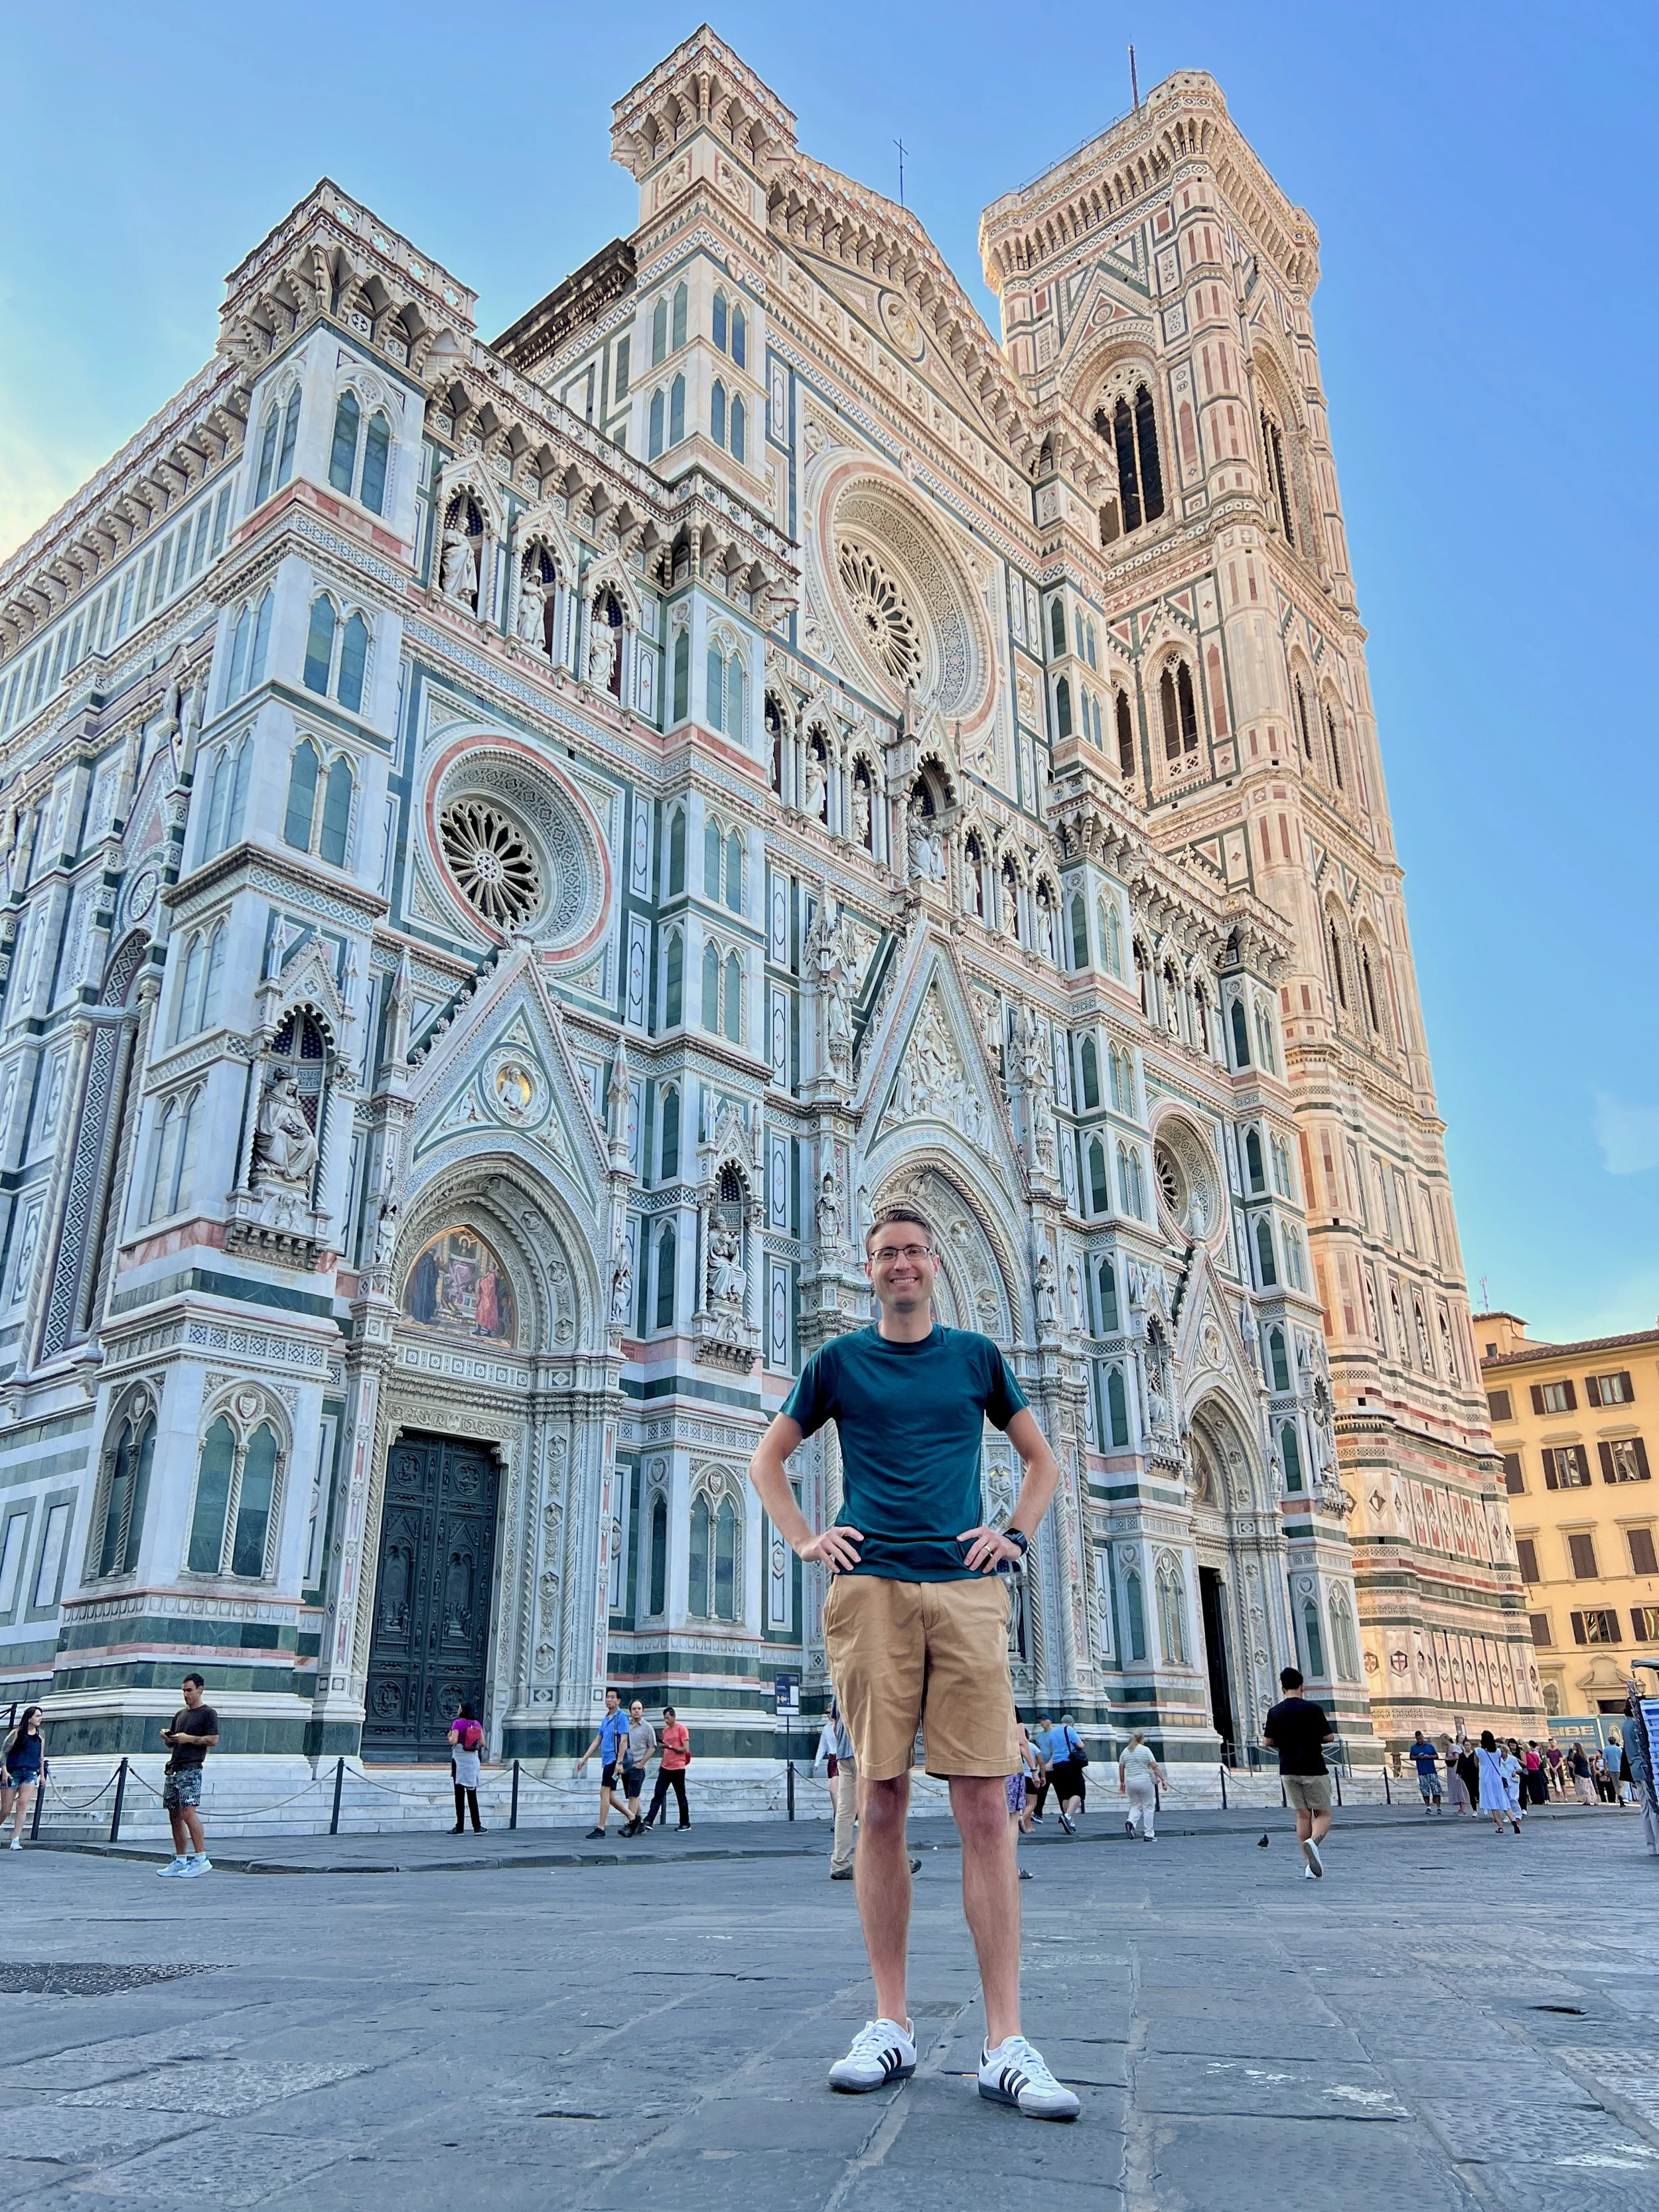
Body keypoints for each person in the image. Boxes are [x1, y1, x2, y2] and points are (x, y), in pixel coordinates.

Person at [747, 1203, 1080, 2122]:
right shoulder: (839, 1362)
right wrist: (808, 1539)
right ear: (870, 1268)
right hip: (870, 1593)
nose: (901, 1264)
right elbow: (767, 1458)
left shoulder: (975, 1357)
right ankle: (889, 2021)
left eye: (913, 1252)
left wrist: (1013, 1533)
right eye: (887, 1253)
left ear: (936, 1264)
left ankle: (1004, 2040)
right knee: (880, 1795)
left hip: (967, 1594)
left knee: (985, 1804)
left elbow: (1041, 1461)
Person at [1263, 1665, 1335, 1880]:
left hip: (1288, 1769)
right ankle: (1313, 1843)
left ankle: (1308, 1865)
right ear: (1301, 1686)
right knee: (1323, 1813)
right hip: (1313, 1767)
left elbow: (1267, 1741)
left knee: (1302, 1815)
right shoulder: (1313, 1709)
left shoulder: (1274, 1712)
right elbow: (1329, 1737)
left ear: (1282, 1687)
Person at [157, 1673, 218, 1877]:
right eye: (184, 1690)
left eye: (189, 1690)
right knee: (174, 1815)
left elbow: (213, 1739)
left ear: (200, 1689)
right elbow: (173, 1743)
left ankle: (201, 1858)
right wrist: (169, 1738)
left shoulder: (208, 1713)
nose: (186, 1694)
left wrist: (189, 1738)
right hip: (175, 1767)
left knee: (188, 1813)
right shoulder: (180, 1715)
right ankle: (180, 1859)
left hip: (192, 1768)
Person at [574, 1687, 631, 1839]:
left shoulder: (622, 1717)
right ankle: (633, 1818)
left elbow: (624, 1740)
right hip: (607, 1761)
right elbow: (598, 1740)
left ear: (618, 1700)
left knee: (604, 1792)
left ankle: (601, 1827)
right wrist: (584, 1758)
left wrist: (619, 1762)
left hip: (614, 1760)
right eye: (607, 1697)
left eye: (612, 1697)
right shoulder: (606, 1718)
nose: (609, 1700)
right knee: (609, 1796)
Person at [643, 1706, 692, 1831]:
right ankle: (649, 1820)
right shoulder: (665, 1731)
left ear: (674, 1716)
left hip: (678, 1768)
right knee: (658, 1794)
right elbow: (666, 1746)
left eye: (668, 1718)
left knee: (680, 1796)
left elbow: (685, 1749)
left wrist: (669, 1746)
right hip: (665, 1766)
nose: (666, 1720)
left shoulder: (682, 1729)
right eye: (664, 1718)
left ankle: (685, 1823)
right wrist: (663, 1746)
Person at [1620, 1696, 1658, 1857]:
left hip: (1635, 1768)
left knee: (1646, 1808)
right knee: (1654, 1808)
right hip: (1643, 1768)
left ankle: (1652, 1846)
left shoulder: (1626, 1725)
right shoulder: (1636, 1725)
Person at [2, 1706, 44, 1848]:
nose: (40, 1718)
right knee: (6, 1809)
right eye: (37, 1716)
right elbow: (4, 1752)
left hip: (31, 1773)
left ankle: (16, 1839)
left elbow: (41, 1757)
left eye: (41, 1716)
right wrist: (4, 1770)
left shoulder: (40, 1735)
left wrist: (42, 1776)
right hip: (13, 1772)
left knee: (23, 1804)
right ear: (29, 1718)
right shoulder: (17, 1733)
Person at [617, 1701, 656, 1838]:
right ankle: (639, 1823)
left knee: (633, 1796)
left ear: (643, 1711)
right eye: (634, 1709)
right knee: (633, 1795)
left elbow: (652, 1747)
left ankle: (630, 1824)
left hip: (638, 1767)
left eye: (639, 1709)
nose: (637, 1711)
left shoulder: (647, 1727)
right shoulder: (625, 1725)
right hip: (626, 1765)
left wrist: (642, 1763)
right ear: (630, 1711)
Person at [1118, 1731, 1167, 1841]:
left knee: (1136, 1805)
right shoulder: (1145, 1750)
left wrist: (1122, 1783)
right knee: (1148, 1807)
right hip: (1144, 1781)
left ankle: (1131, 1821)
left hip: (1131, 1782)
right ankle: (1149, 1834)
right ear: (1141, 1739)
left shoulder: (1126, 1751)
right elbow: (1154, 1766)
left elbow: (1121, 1767)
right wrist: (1163, 1780)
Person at [1046, 1714, 1088, 1834]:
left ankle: (1070, 1822)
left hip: (1057, 1766)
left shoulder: (1052, 1732)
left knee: (1065, 1795)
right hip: (1070, 1764)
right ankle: (1068, 1816)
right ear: (1072, 1723)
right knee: (1078, 1792)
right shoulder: (1069, 1730)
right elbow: (1081, 1745)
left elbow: (1051, 1750)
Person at [1475, 1729, 1522, 1834]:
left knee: (1493, 1804)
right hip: (1497, 1778)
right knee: (1503, 1801)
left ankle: (1500, 1827)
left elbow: (1476, 1764)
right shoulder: (1498, 1752)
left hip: (1486, 1779)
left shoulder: (1478, 1751)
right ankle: (1514, 1821)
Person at [1007, 1724, 1038, 1879]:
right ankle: (1012, 1869)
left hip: (984, 1771)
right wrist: (1034, 1771)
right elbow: (1022, 1743)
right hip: (1009, 1770)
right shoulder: (1011, 1710)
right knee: (1011, 1819)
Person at [448, 1704, 484, 1834]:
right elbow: (483, 1743)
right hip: (473, 1760)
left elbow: (454, 1741)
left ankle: (460, 1827)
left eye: (459, 1708)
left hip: (460, 1760)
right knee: (472, 1793)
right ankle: (477, 1826)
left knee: (459, 1794)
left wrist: (450, 1736)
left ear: (462, 1710)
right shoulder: (477, 1724)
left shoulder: (457, 1723)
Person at [1407, 1730, 1443, 1813]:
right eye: (1418, 1739)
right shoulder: (1414, 1748)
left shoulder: (1430, 1746)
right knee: (1425, 1790)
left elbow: (1436, 1756)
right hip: (1422, 1772)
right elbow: (1412, 1757)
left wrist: (1429, 1756)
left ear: (1423, 1737)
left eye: (1420, 1738)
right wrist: (1418, 1757)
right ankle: (1428, 1806)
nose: (1419, 1740)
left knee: (1436, 1790)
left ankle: (1438, 1807)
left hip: (1431, 1771)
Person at [1443, 1735, 1471, 1815]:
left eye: (1443, 1741)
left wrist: (1448, 1759)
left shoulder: (1454, 1747)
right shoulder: (1449, 1747)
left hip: (1456, 1769)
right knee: (1455, 1788)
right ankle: (1460, 1807)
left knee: (1460, 1788)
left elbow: (1457, 1757)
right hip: (1451, 1769)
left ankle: (1463, 1808)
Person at [1567, 1741, 1596, 1806]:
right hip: (1586, 1773)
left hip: (1580, 1773)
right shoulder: (1585, 1756)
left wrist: (1574, 1772)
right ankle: (1594, 1799)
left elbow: (1575, 1765)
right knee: (1590, 1787)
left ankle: (1587, 1800)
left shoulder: (1576, 1756)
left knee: (1583, 1787)